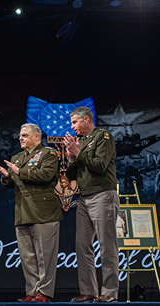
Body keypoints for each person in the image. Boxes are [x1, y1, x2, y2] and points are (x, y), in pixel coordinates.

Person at [0, 123, 62, 303]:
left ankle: (44, 293)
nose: (21, 138)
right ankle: (32, 291)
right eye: (20, 136)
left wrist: (19, 171)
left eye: (24, 135)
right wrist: (7, 176)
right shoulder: (17, 157)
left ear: (36, 137)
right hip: (22, 211)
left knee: (44, 256)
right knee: (27, 256)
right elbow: (10, 183)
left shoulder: (49, 154)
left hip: (43, 211)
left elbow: (45, 175)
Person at [64, 106, 119, 303]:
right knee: (82, 246)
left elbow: (99, 166)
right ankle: (88, 291)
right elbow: (71, 176)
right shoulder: (82, 142)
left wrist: (78, 153)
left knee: (107, 245)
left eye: (75, 122)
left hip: (103, 195)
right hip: (84, 198)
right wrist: (72, 158)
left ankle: (110, 292)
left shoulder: (103, 137)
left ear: (86, 120)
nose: (72, 127)